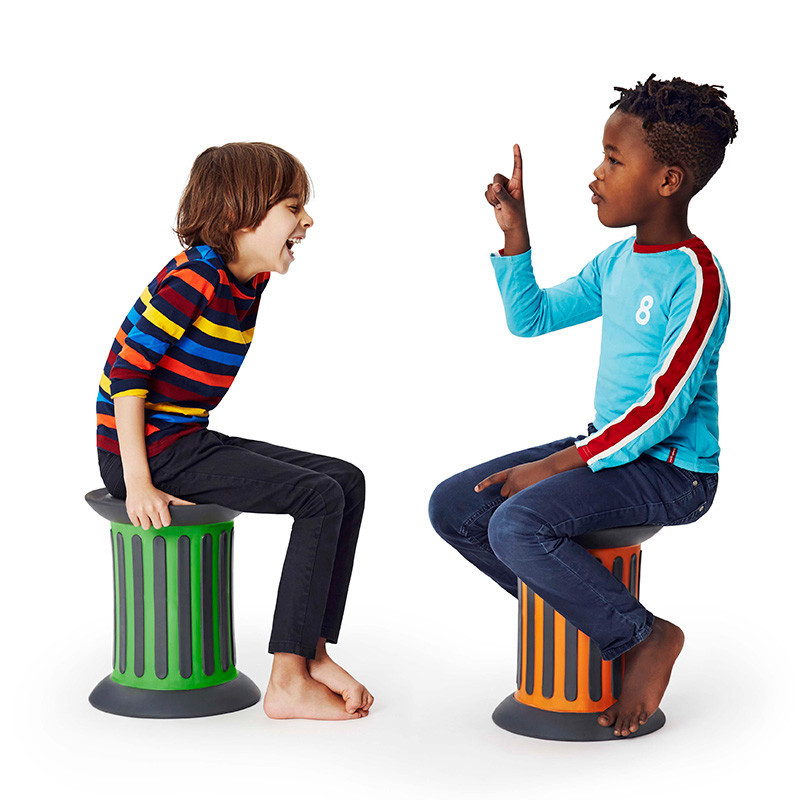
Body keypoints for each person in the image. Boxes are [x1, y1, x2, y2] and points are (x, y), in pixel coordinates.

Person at [428, 75, 737, 737]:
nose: (596, 174)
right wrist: (515, 232)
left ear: (668, 180)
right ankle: (591, 614)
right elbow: (531, 318)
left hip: (673, 473)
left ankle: (644, 637)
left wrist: (555, 466)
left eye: (613, 160)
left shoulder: (697, 277)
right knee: (455, 507)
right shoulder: (617, 260)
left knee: (516, 525)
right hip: (609, 452)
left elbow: (663, 409)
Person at [96, 142, 373, 721]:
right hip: (147, 451)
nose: (307, 221)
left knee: (344, 481)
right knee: (316, 495)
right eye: (293, 207)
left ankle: (312, 652)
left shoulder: (247, 280)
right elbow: (127, 376)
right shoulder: (194, 277)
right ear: (238, 217)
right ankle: (288, 681)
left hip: (185, 439)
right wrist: (138, 482)